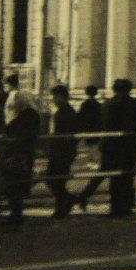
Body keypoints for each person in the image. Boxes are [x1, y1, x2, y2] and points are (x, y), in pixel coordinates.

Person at [96, 78, 136, 217]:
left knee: (115, 178)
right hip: (130, 146)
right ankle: (127, 207)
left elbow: (103, 124)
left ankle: (116, 208)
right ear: (129, 89)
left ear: (114, 89)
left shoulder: (108, 104)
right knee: (127, 177)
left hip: (112, 146)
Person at [0, 91, 40, 227]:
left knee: (13, 186)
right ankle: (16, 215)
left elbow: (11, 130)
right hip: (23, 154)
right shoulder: (31, 115)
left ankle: (15, 217)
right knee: (16, 186)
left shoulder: (25, 116)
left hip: (18, 155)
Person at [45, 85, 79, 218]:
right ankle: (67, 200)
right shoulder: (62, 111)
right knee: (54, 179)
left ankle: (62, 208)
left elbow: (70, 133)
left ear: (61, 96)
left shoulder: (67, 112)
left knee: (56, 179)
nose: (52, 100)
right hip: (59, 150)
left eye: (54, 97)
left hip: (62, 151)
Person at [74, 85, 107, 209]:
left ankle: (93, 161)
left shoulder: (85, 104)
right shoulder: (98, 105)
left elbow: (80, 117)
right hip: (97, 129)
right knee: (94, 147)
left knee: (92, 147)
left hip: (88, 129)